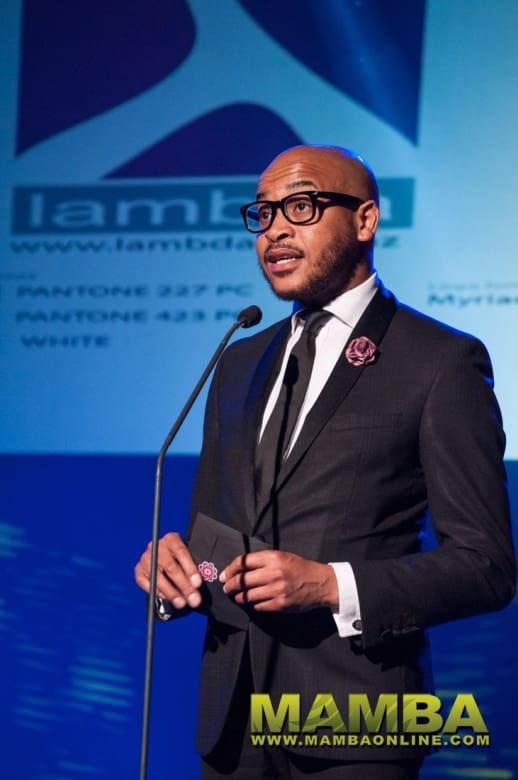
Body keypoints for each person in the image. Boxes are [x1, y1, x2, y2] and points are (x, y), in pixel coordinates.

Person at [135, 145, 516, 779]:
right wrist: (177, 574)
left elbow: (486, 567)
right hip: (233, 722)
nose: (275, 230)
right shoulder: (238, 361)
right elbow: (213, 546)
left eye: (302, 207)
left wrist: (330, 586)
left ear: (365, 220)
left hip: (356, 722)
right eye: (264, 213)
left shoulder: (440, 361)